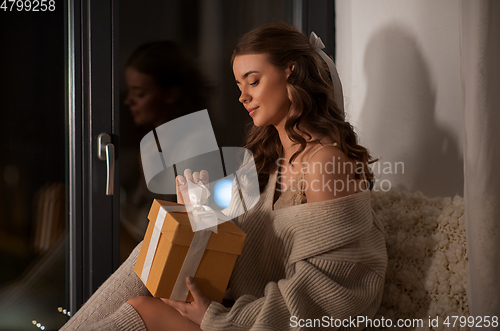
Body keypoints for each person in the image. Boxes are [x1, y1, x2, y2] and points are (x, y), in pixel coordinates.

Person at [60, 23, 387, 331]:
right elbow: (236, 247)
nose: (243, 96)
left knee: (144, 308)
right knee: (154, 251)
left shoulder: (324, 163)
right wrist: (196, 212)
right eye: (239, 85)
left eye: (254, 81)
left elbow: (331, 300)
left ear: (293, 72)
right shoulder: (273, 163)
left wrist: (219, 317)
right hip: (240, 314)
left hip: (253, 322)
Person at [120, 41, 212, 261]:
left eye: (140, 94)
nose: (128, 101)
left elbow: (189, 230)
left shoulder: (194, 147)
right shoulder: (152, 143)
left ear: (170, 94)